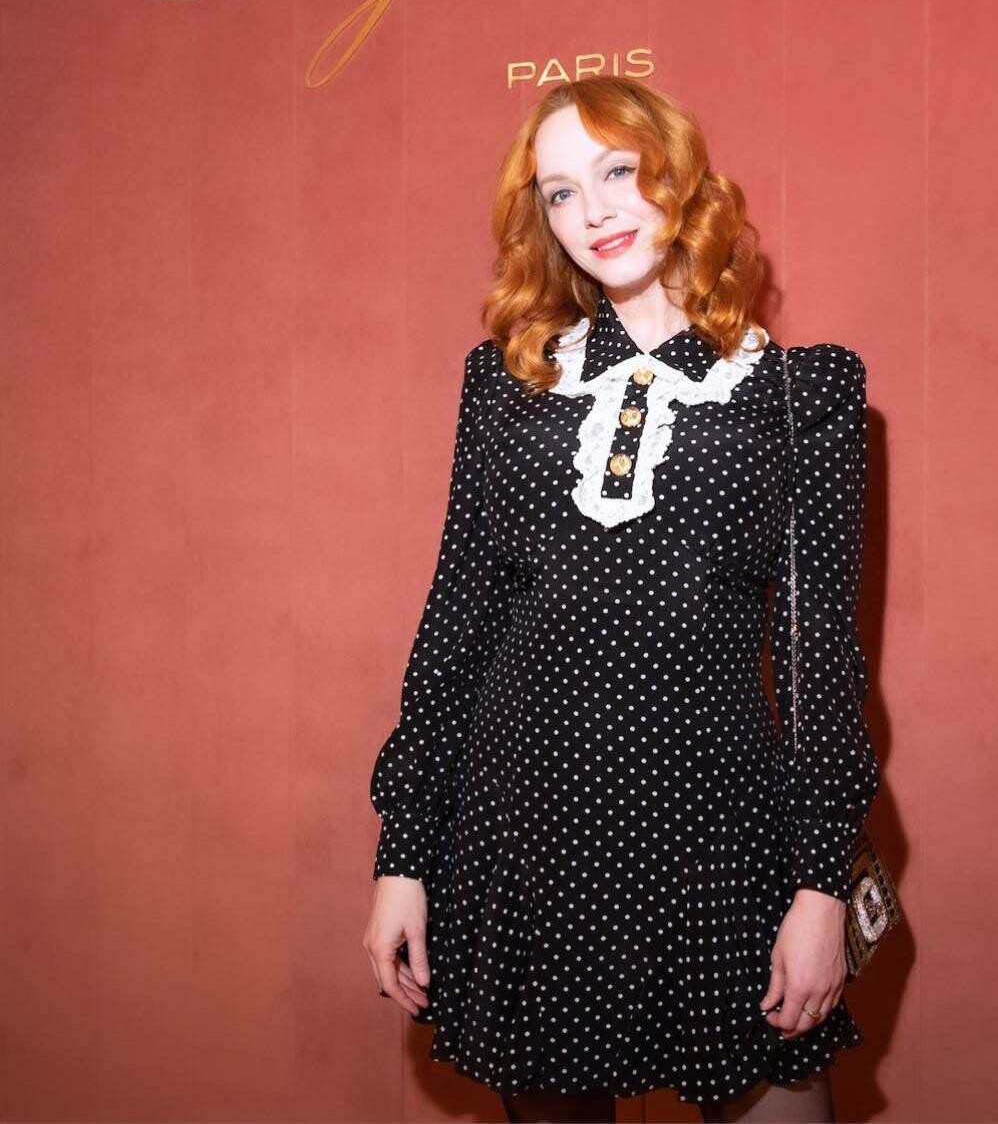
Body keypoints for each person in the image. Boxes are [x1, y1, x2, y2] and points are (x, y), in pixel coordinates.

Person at [362, 76, 880, 1124]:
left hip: (720, 829)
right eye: (560, 192)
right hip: (525, 825)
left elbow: (819, 658)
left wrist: (823, 885)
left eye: (617, 172)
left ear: (680, 178)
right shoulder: (505, 383)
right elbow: (458, 620)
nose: (593, 210)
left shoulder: (801, 391)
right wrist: (403, 857)